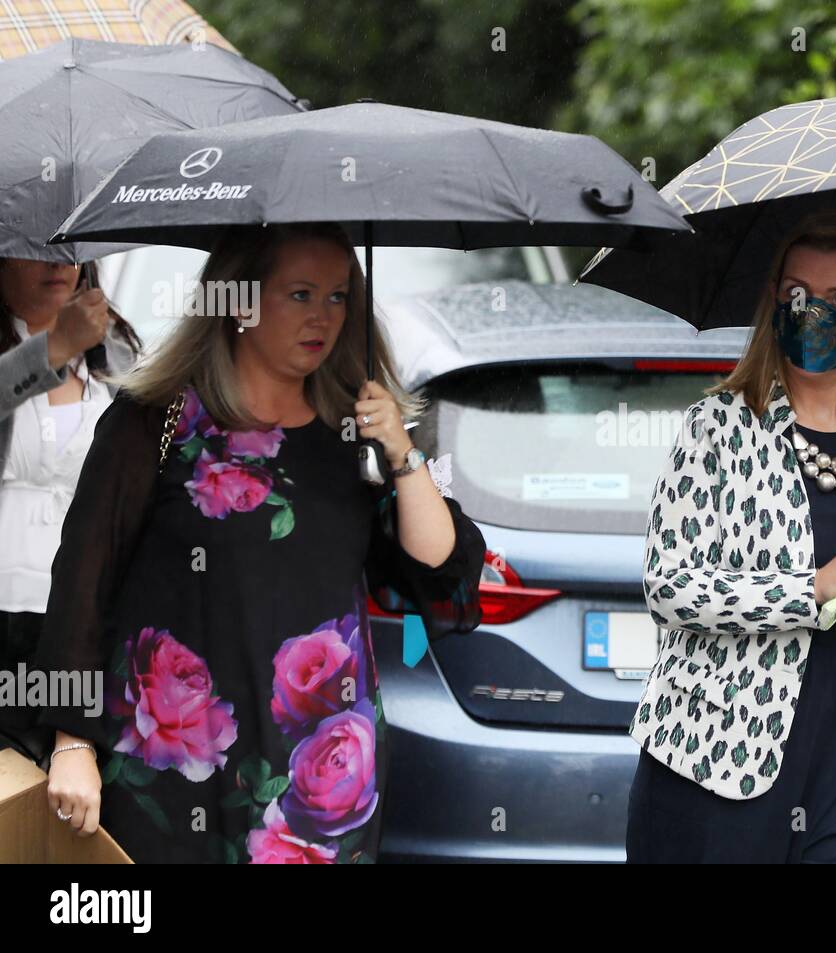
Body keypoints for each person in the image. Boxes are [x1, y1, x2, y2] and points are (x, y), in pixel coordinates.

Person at [34, 222, 486, 863]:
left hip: (317, 785)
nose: (323, 318)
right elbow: (84, 579)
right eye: (300, 294)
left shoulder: (350, 433)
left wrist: (401, 451)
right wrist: (71, 743)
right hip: (176, 770)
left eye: (337, 297)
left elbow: (438, 567)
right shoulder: (156, 420)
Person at [626, 208, 836, 863]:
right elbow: (668, 583)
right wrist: (809, 586)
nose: (814, 312)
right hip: (727, 764)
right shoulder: (718, 428)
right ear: (774, 302)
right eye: (798, 295)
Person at [0, 257, 140, 762]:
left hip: (83, 620)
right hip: (5, 616)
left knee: (67, 803)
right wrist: (54, 348)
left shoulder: (120, 352)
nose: (59, 259)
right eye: (36, 243)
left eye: (69, 242)